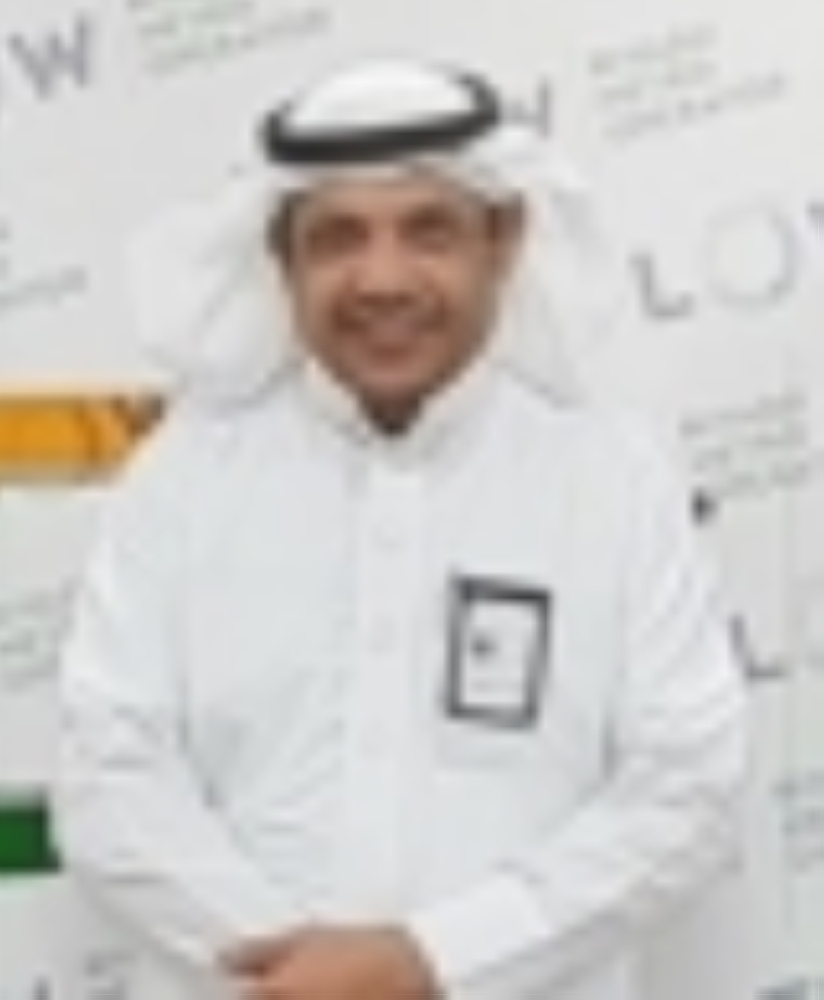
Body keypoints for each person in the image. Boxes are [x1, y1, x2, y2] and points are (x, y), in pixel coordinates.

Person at [53, 56, 748, 1000]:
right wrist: (293, 970)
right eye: (338, 237)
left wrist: (434, 959)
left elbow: (686, 789)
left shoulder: (617, 484)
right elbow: (111, 780)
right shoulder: (180, 482)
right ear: (283, 262)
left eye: (429, 231)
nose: (382, 279)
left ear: (503, 241)